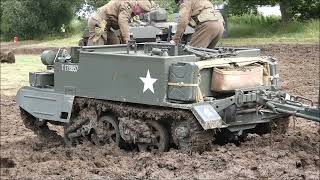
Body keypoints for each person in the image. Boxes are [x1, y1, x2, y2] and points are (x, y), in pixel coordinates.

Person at [87, 0, 152, 46]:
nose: (140, 14)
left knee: (115, 42)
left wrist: (124, 41)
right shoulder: (127, 5)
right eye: (140, 11)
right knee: (96, 45)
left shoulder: (132, 9)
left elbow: (122, 26)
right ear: (137, 5)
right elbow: (123, 22)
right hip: (98, 21)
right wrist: (127, 40)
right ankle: (91, 62)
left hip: (106, 25)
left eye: (142, 13)